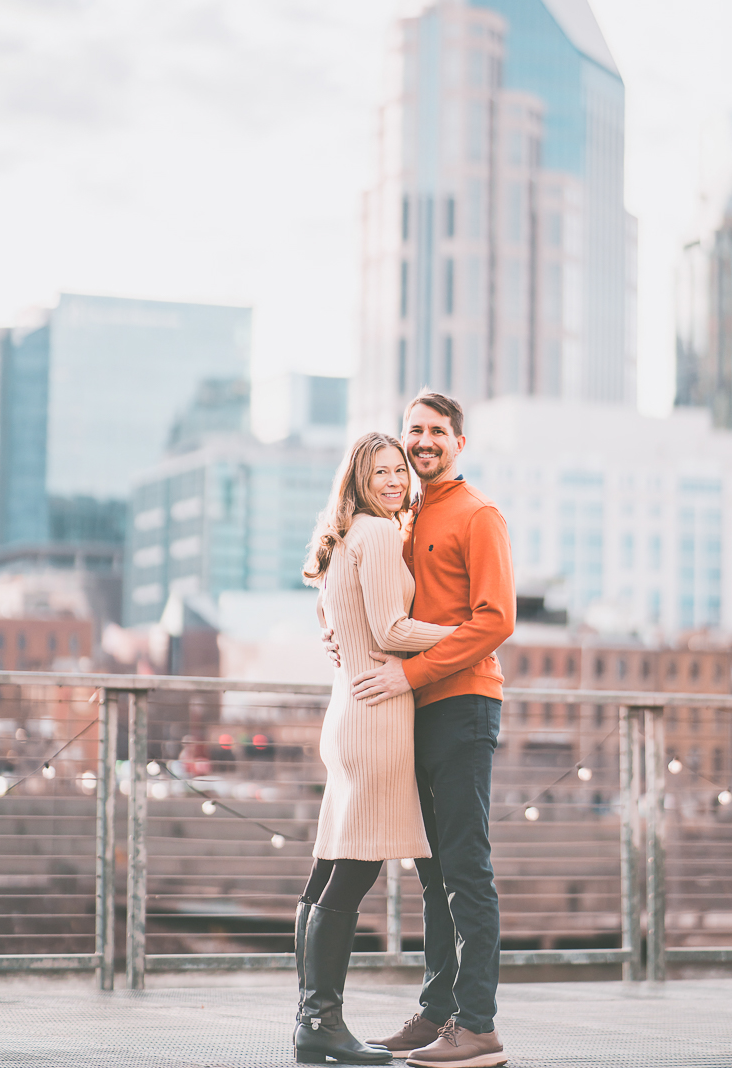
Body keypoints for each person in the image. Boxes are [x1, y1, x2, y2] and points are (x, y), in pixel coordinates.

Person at [327, 391, 515, 1068]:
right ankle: (438, 1014)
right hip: (418, 711)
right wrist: (342, 637)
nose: (424, 440)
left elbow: (496, 620)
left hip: (462, 705)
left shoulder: (477, 513)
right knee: (433, 874)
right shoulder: (404, 517)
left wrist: (408, 674)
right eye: (415, 430)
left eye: (437, 430)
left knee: (466, 870)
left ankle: (479, 1027)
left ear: (458, 443)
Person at [295, 431, 455, 1066]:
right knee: (353, 873)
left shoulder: (343, 541)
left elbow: (339, 622)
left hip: (347, 717)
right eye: (380, 471)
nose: (394, 481)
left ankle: (312, 1020)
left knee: (327, 874)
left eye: (399, 471)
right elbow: (392, 629)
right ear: (358, 480)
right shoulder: (380, 536)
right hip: (378, 720)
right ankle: (320, 1023)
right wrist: (471, 632)